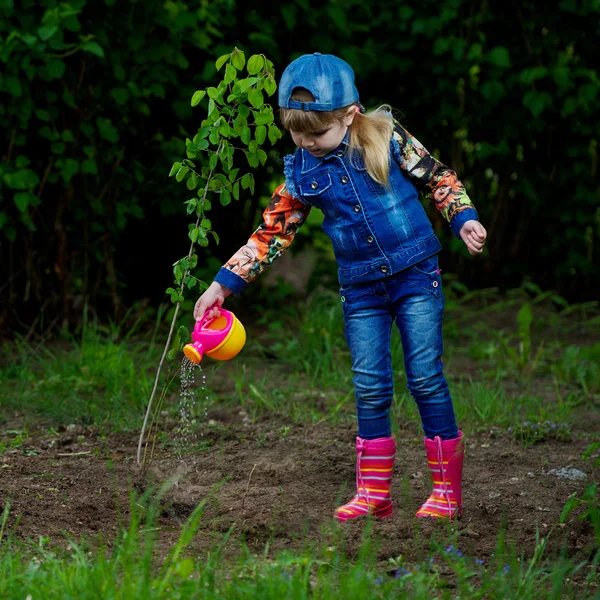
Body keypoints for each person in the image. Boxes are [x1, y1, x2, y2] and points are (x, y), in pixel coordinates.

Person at [194, 53, 487, 522]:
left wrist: (464, 217)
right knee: (370, 385)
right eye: (296, 133)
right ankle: (374, 494)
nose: (307, 142)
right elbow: (271, 233)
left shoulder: (387, 138)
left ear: (349, 115)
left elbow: (439, 177)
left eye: (317, 133)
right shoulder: (300, 172)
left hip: (415, 274)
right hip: (361, 290)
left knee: (425, 377)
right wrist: (222, 286)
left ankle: (445, 493)